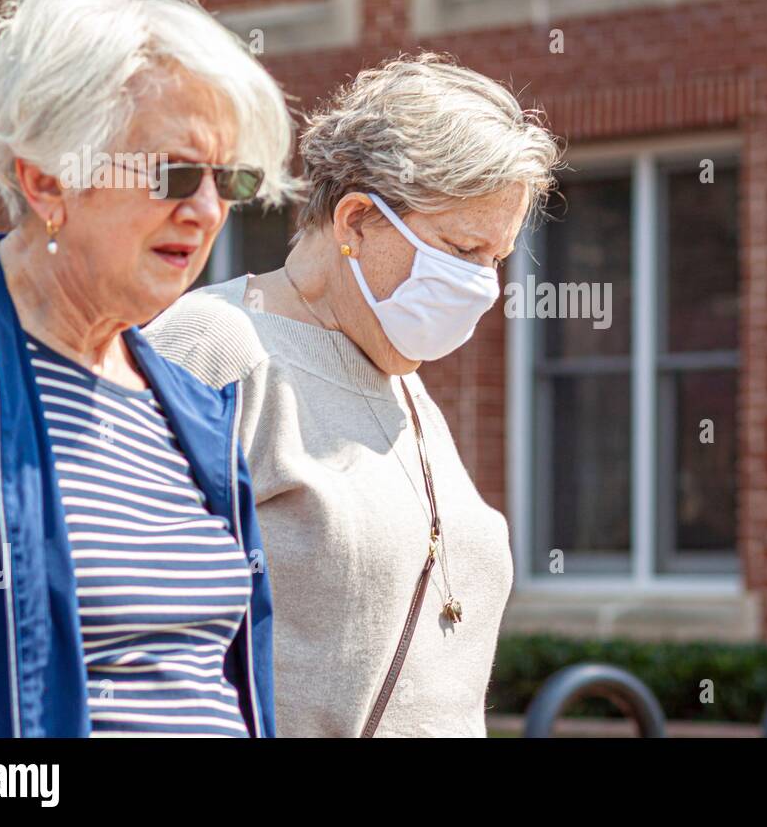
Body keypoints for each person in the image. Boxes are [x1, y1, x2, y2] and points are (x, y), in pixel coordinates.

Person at [0, 0, 300, 736]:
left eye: (232, 181)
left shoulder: (195, 411)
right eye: (175, 175)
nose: (207, 210)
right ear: (47, 179)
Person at [145, 53, 560, 736]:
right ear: (356, 220)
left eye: (496, 258)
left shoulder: (406, 385)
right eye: (461, 249)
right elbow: (114, 639)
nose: (483, 284)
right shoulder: (213, 346)